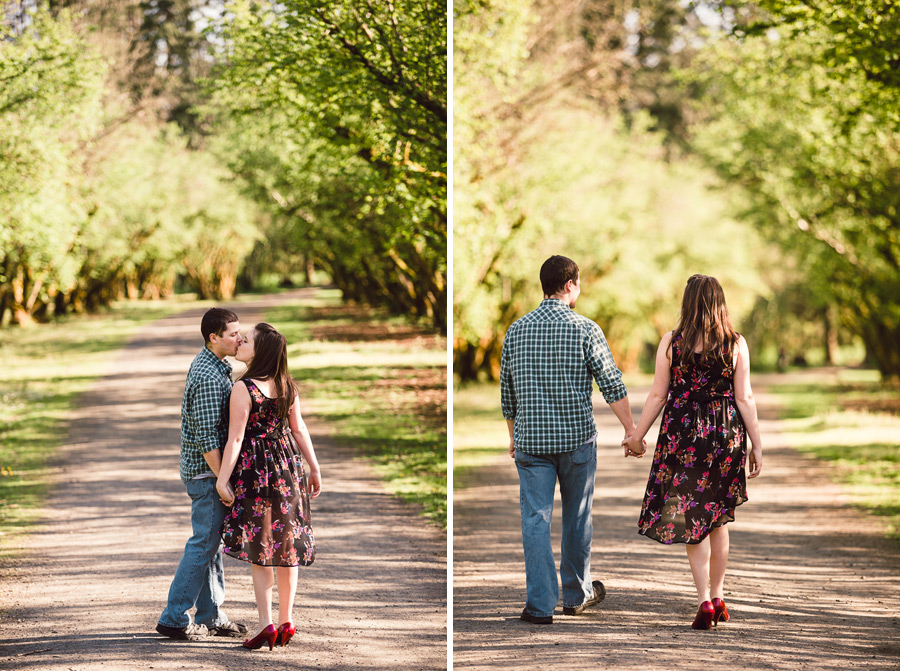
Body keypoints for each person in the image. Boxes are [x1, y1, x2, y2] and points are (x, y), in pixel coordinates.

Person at [500, 255, 638, 625]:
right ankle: (576, 596)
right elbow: (612, 384)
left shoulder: (516, 330)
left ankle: (540, 606)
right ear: (570, 285)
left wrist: (514, 438)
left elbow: (508, 396)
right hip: (577, 441)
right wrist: (631, 431)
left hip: (531, 444)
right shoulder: (585, 329)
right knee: (577, 518)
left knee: (535, 520)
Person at [623, 274, 763, 630]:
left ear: (687, 302)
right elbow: (744, 397)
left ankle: (703, 599)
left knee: (692, 519)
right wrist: (756, 444)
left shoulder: (672, 342)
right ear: (720, 303)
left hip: (683, 437)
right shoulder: (736, 344)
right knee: (718, 518)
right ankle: (718, 595)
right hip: (725, 434)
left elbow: (658, 394)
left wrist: (637, 436)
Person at [216, 322, 322, 651]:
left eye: (246, 340)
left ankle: (267, 625)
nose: (240, 343)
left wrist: (222, 478)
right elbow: (299, 429)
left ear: (259, 352)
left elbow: (235, 438)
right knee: (286, 546)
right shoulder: (287, 385)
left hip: (255, 474)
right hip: (288, 469)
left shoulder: (244, 389)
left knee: (262, 550)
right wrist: (314, 468)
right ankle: (287, 619)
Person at [157, 308, 248, 641]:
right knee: (203, 544)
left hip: (209, 475)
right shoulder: (210, 376)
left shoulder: (217, 366)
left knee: (210, 544)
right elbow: (206, 437)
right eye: (233, 333)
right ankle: (174, 618)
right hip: (206, 476)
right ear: (214, 337)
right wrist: (221, 480)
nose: (239, 338)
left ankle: (211, 616)